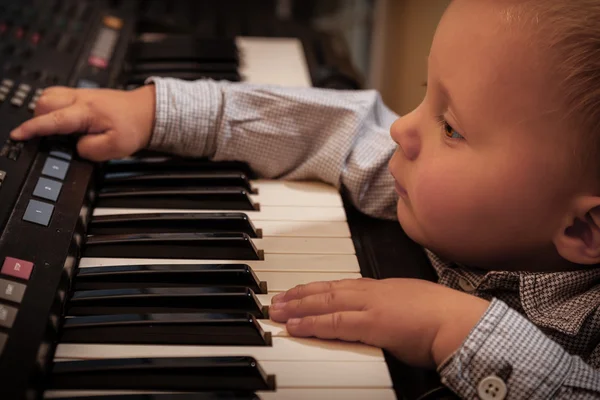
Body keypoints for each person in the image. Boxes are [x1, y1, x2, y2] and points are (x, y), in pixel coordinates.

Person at [10, 0, 600, 397]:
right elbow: (340, 130)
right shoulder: (437, 183)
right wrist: (158, 111)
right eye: (425, 95)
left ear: (583, 231)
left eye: (451, 127)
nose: (402, 130)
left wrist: (454, 327)